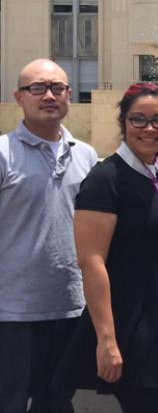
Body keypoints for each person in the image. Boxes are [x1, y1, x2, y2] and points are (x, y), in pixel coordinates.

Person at [56, 83, 158, 413]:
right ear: (123, 122)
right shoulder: (106, 179)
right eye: (138, 119)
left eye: (157, 120)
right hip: (134, 322)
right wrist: (106, 340)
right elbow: (91, 261)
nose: (149, 129)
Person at [0, 59, 97, 413]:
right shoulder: (3, 153)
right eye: (37, 88)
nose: (49, 96)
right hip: (11, 312)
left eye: (57, 88)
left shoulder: (85, 155)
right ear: (19, 97)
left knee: (56, 403)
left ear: (69, 95)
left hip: (69, 306)